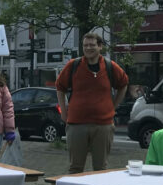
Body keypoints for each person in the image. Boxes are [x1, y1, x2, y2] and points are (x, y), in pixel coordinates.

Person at [55, 33, 129, 173]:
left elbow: (124, 84)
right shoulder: (74, 65)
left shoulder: (109, 67)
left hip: (103, 125)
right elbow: (60, 87)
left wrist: (113, 107)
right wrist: (64, 113)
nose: (88, 48)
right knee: (75, 168)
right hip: (77, 124)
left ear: (100, 46)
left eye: (92, 45)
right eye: (85, 45)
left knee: (100, 169)